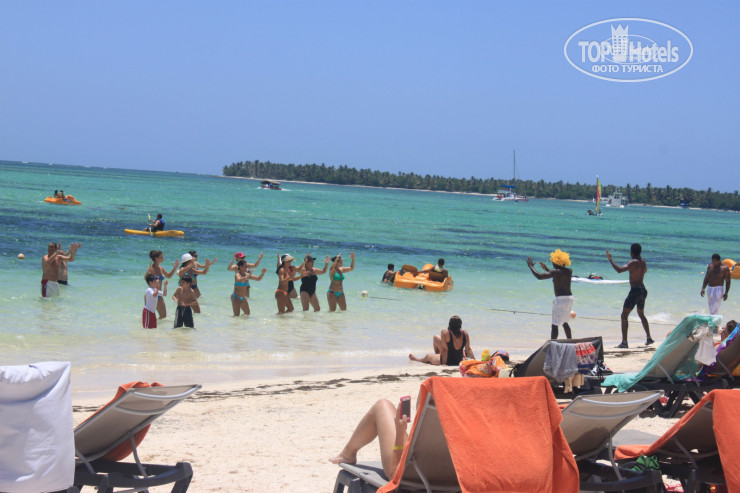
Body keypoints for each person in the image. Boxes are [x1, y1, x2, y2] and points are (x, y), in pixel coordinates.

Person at [329, 399, 409, 480]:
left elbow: (394, 474)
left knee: (381, 406)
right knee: (383, 404)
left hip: (408, 471)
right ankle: (348, 453)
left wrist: (400, 434)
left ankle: (347, 454)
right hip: (415, 461)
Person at [607, 243, 654, 348]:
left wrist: (610, 259)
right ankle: (649, 338)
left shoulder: (633, 262)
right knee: (641, 314)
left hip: (635, 291)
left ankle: (624, 342)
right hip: (643, 290)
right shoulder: (643, 262)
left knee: (624, 316)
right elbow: (645, 271)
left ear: (631, 252)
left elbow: (619, 270)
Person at [526, 249, 574, 339]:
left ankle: (553, 343)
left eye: (553, 262)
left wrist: (530, 267)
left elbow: (539, 276)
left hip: (560, 300)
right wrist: (547, 270)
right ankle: (570, 340)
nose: (552, 263)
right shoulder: (569, 271)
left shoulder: (555, 272)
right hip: (569, 298)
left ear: (557, 262)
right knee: (565, 322)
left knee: (554, 325)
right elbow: (558, 276)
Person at [409, 315, 474, 365]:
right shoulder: (465, 333)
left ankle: (416, 359)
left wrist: (444, 364)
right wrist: (474, 361)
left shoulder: (445, 332)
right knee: (436, 337)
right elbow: (468, 349)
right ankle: (438, 355)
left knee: (427, 356)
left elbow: (445, 350)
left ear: (450, 324)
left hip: (448, 361)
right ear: (460, 324)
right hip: (459, 361)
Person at [145, 250, 180, 319]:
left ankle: (157, 325)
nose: (163, 258)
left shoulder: (161, 268)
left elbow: (168, 276)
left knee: (163, 316)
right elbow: (146, 279)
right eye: (161, 257)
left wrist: (175, 268)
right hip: (152, 294)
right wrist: (149, 272)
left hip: (159, 294)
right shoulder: (151, 269)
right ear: (156, 258)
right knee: (149, 316)